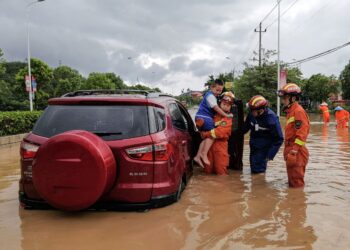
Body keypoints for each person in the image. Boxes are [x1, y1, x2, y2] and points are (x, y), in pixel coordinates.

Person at [194, 79, 232, 167]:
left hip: (200, 117)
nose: (219, 92)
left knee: (206, 138)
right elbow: (216, 108)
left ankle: (197, 156)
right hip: (205, 118)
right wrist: (226, 115)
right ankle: (203, 154)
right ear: (212, 87)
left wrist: (202, 93)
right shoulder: (211, 97)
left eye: (220, 90)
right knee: (211, 136)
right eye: (217, 90)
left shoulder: (209, 94)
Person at [278, 83, 310, 188]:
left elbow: (302, 134)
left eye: (285, 97)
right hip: (291, 149)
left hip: (296, 152)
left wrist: (294, 150)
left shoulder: (298, 111)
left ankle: (297, 203)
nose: (283, 100)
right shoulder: (291, 111)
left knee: (296, 184)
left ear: (293, 98)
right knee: (292, 181)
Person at [243, 95, 284, 174]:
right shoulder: (252, 114)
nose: (251, 112)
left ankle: (260, 183)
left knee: (258, 172)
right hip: (253, 144)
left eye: (253, 110)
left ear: (260, 110)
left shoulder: (271, 119)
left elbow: (279, 139)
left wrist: (270, 155)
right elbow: (245, 128)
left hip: (264, 148)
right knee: (253, 167)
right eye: (250, 110)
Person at [201, 92, 235, 175]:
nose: (226, 105)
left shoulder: (228, 118)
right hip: (209, 147)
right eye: (224, 103)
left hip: (220, 147)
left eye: (228, 105)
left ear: (231, 107)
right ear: (219, 103)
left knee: (221, 173)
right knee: (207, 171)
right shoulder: (212, 115)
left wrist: (205, 134)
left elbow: (219, 132)